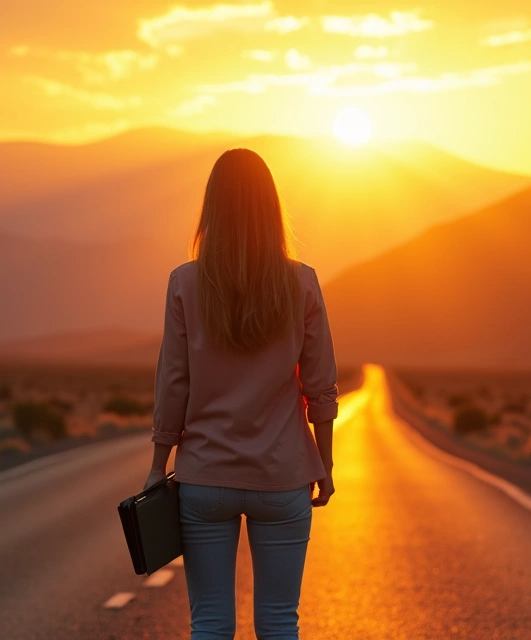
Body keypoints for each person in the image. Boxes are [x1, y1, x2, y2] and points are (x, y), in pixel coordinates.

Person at [143, 147, 338, 640]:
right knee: (278, 623)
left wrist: (157, 463)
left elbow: (173, 381)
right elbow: (320, 387)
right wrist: (326, 465)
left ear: (213, 208)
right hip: (283, 475)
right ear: (270, 207)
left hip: (205, 477)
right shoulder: (303, 283)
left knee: (209, 623)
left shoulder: (185, 283)